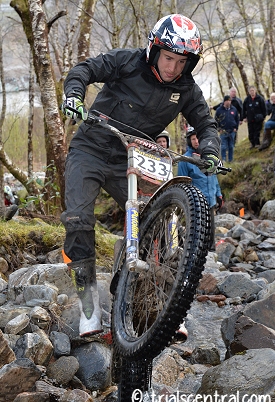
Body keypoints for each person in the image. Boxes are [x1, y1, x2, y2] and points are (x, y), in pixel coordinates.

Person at [60, 14, 220, 337]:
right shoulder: (128, 62)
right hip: (90, 147)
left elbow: (206, 123)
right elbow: (85, 70)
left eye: (181, 61)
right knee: (77, 219)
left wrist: (211, 149)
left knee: (159, 222)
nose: (173, 68)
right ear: (154, 50)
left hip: (129, 159)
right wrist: (74, 95)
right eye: (168, 58)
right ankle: (88, 307)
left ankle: (163, 304)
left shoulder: (185, 88)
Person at [177, 127, 223, 252]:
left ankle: (212, 254)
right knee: (196, 232)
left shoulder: (210, 158)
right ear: (189, 141)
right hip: (195, 203)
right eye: (193, 139)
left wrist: (219, 195)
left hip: (211, 200)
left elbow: (214, 178)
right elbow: (181, 183)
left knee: (211, 231)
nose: (196, 141)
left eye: (198, 138)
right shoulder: (185, 160)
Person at [214, 95, 239, 162]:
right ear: (224, 102)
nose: (228, 102)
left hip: (232, 131)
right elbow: (216, 120)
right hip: (223, 131)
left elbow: (237, 119)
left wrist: (236, 128)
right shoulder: (219, 110)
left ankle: (230, 160)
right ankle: (224, 159)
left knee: (231, 146)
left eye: (230, 101)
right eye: (227, 101)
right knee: (223, 146)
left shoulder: (234, 109)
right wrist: (219, 129)